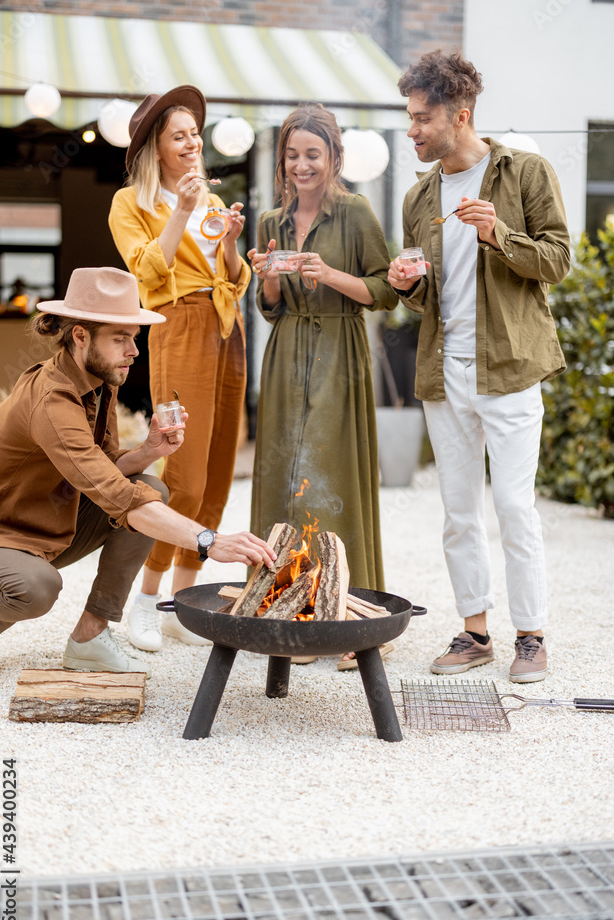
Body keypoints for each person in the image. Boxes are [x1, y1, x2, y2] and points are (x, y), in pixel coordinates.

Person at [0, 268, 275, 680]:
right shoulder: (52, 399)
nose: (134, 351)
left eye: (134, 338)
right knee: (37, 587)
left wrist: (147, 451)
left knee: (150, 486)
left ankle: (90, 637)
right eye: (120, 339)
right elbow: (115, 496)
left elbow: (104, 471)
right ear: (81, 336)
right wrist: (210, 541)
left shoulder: (99, 380)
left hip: (43, 525)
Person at [388, 50, 570, 683]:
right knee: (458, 512)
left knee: (516, 508)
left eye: (421, 118)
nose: (412, 129)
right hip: (446, 371)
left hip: (511, 367)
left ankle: (530, 635)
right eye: (409, 117)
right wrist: (407, 283)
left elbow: (558, 261)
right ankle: (474, 632)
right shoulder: (420, 196)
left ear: (460, 115)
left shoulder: (524, 173)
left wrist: (500, 236)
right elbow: (424, 293)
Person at [247, 104, 398, 665]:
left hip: (340, 350)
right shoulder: (270, 222)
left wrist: (329, 273)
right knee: (287, 480)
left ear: (334, 157)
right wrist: (267, 284)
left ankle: (348, 615)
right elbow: (271, 311)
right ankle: (291, 612)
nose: (301, 165)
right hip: (287, 353)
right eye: (292, 155)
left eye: (313, 154)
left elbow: (384, 291)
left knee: (334, 475)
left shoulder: (356, 212)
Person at [109, 85, 250, 653]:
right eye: (180, 136)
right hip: (179, 325)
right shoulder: (130, 202)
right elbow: (146, 275)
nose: (193, 144)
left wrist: (234, 245)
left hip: (226, 324)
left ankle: (177, 606)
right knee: (181, 471)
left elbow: (231, 274)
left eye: (195, 134)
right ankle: (144, 601)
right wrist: (184, 209)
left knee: (218, 468)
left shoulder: (212, 202)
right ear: (157, 148)